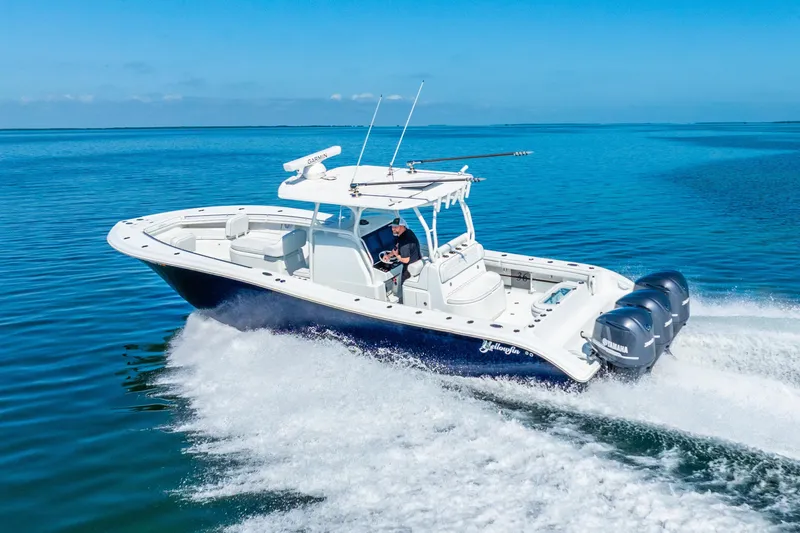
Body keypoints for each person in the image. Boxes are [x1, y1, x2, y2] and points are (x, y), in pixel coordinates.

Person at [388, 217, 421, 281]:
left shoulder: (404, 243)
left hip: (409, 270)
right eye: (392, 227)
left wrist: (397, 255)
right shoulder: (408, 232)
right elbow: (397, 246)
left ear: (402, 226)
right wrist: (389, 255)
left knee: (403, 283)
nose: (393, 229)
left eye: (396, 227)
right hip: (417, 262)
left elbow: (406, 260)